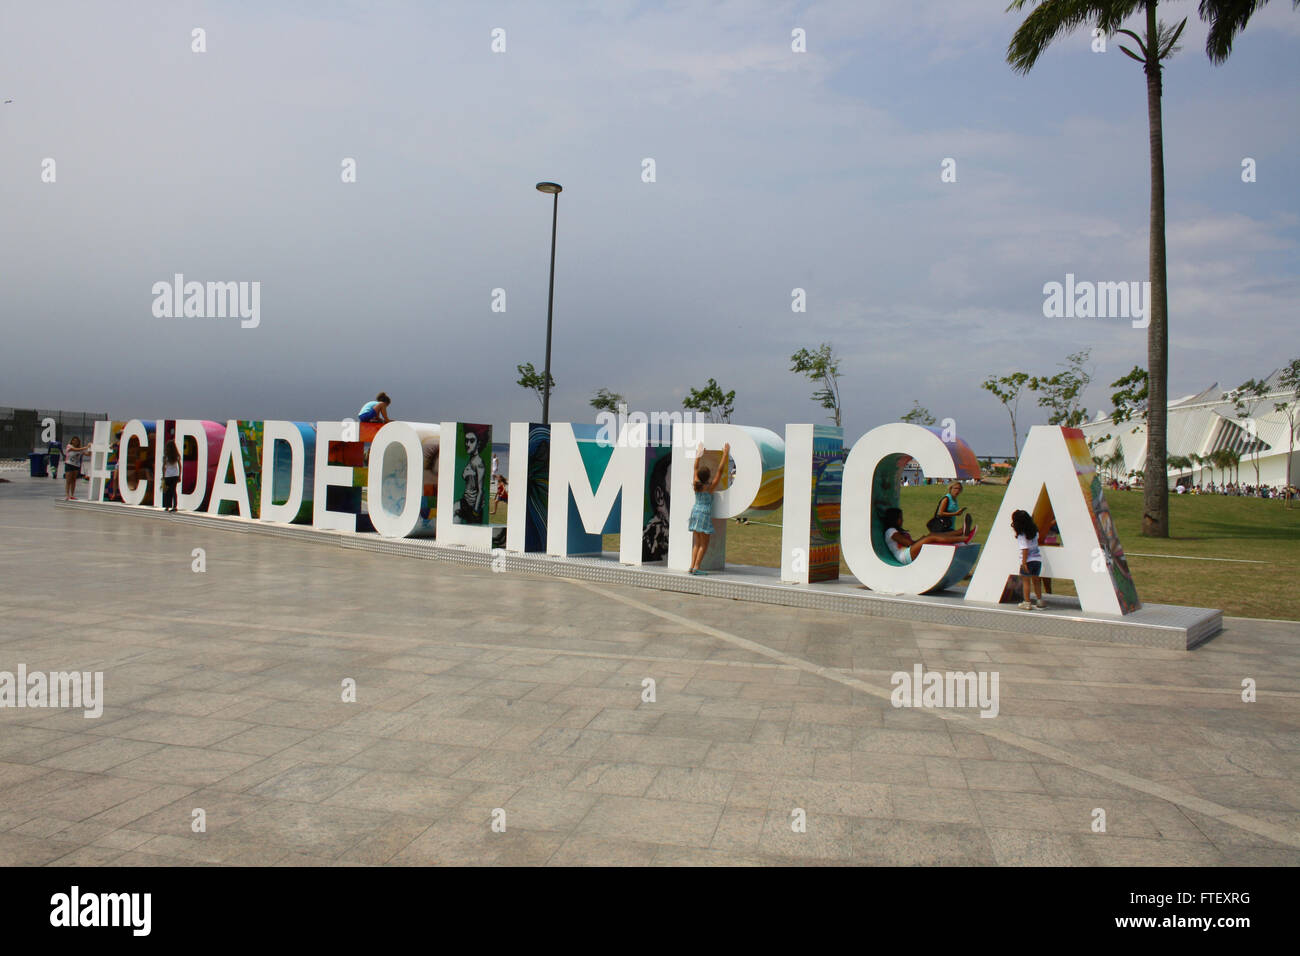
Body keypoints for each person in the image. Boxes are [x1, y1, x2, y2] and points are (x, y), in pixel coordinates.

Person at [879, 506, 975, 566]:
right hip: (904, 556)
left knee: (932, 535)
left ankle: (961, 532)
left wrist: (922, 539)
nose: (902, 520)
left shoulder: (895, 530)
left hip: (908, 552)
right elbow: (908, 543)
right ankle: (964, 538)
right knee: (931, 537)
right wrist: (923, 539)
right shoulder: (890, 531)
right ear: (893, 519)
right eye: (900, 518)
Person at [688, 441, 729, 575]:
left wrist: (699, 453)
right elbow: (720, 471)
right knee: (704, 544)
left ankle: (692, 566)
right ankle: (697, 567)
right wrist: (725, 454)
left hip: (695, 512)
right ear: (707, 476)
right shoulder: (709, 487)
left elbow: (695, 467)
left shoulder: (696, 484)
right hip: (704, 514)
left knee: (696, 542)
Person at [1011, 509, 1045, 610]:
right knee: (1036, 581)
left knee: (1026, 582)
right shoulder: (1034, 532)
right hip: (1037, 560)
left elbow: (1025, 549)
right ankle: (1039, 600)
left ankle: (1027, 602)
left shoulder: (1022, 535)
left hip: (1028, 560)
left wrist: (1024, 562)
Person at [455, 428, 486, 522]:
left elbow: (481, 491)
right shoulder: (471, 460)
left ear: (478, 443)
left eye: (472, 441)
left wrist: (475, 512)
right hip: (465, 502)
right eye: (466, 441)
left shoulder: (478, 463)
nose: (468, 444)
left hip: (472, 507)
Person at [162, 441, 181, 511]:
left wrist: (163, 476)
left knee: (167, 491)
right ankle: (174, 506)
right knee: (173, 491)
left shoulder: (165, 456)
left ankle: (167, 506)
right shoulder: (177, 456)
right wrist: (179, 475)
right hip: (175, 475)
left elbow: (163, 467)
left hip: (167, 476)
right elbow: (180, 466)